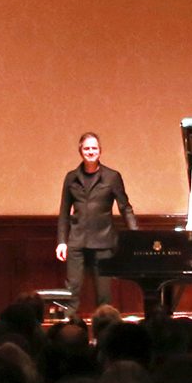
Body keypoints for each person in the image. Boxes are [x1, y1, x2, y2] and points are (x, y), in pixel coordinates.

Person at [56, 132, 137, 310]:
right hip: (77, 241)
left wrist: (135, 236)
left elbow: (125, 208)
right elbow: (64, 212)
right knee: (72, 292)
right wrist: (62, 242)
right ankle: (69, 331)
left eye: (94, 148)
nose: (90, 151)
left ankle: (105, 332)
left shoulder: (112, 177)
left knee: (104, 295)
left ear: (100, 151)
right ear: (80, 151)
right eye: (87, 148)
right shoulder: (71, 177)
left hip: (103, 241)